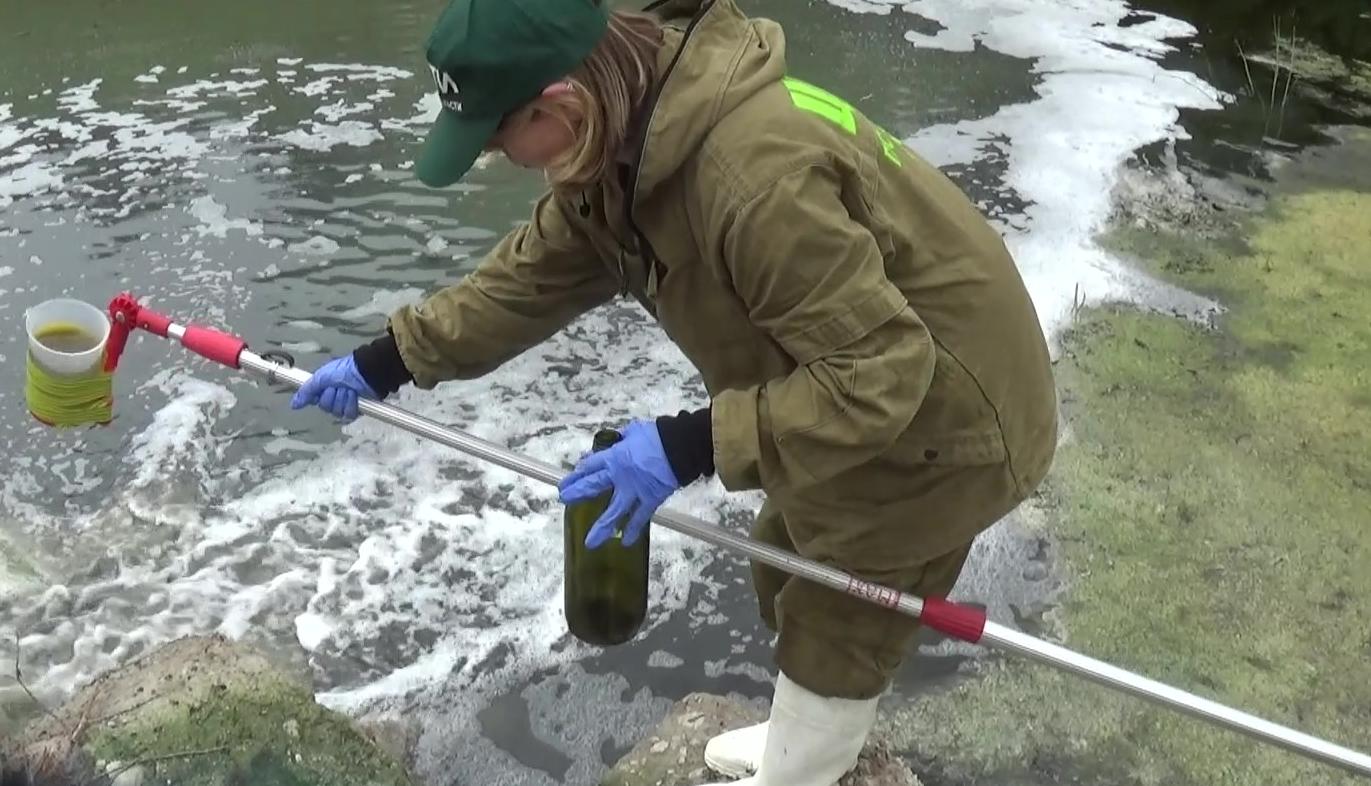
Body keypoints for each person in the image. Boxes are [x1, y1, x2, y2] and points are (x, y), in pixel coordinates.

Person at [290, 0, 1059, 783]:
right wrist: (392, 358)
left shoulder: (752, 180)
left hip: (952, 416)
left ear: (559, 103)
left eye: (497, 138)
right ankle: (801, 734)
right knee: (785, 560)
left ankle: (803, 769)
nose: (496, 158)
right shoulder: (627, 139)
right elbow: (532, 276)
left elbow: (881, 374)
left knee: (839, 611)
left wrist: (687, 445)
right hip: (856, 370)